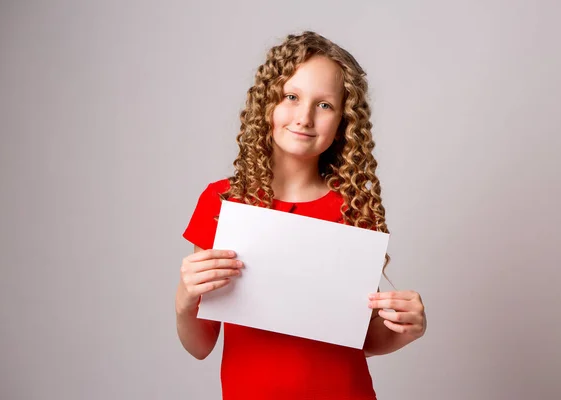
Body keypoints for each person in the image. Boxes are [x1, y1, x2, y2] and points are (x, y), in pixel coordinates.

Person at [175, 31, 427, 399]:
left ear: (344, 121)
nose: (304, 117)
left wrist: (406, 328)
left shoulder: (353, 208)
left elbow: (360, 337)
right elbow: (200, 346)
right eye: (291, 97)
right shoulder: (223, 201)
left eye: (324, 105)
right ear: (267, 104)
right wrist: (185, 297)